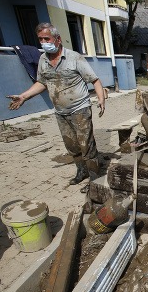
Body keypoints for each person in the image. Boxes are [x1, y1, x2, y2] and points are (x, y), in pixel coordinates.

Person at [8, 22, 105, 192]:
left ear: (58, 39)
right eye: (40, 39)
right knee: (72, 146)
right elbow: (41, 82)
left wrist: (101, 99)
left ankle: (95, 179)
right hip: (60, 112)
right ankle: (81, 172)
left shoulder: (74, 57)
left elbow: (94, 80)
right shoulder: (43, 60)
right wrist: (24, 96)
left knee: (86, 145)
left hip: (80, 109)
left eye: (47, 38)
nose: (44, 42)